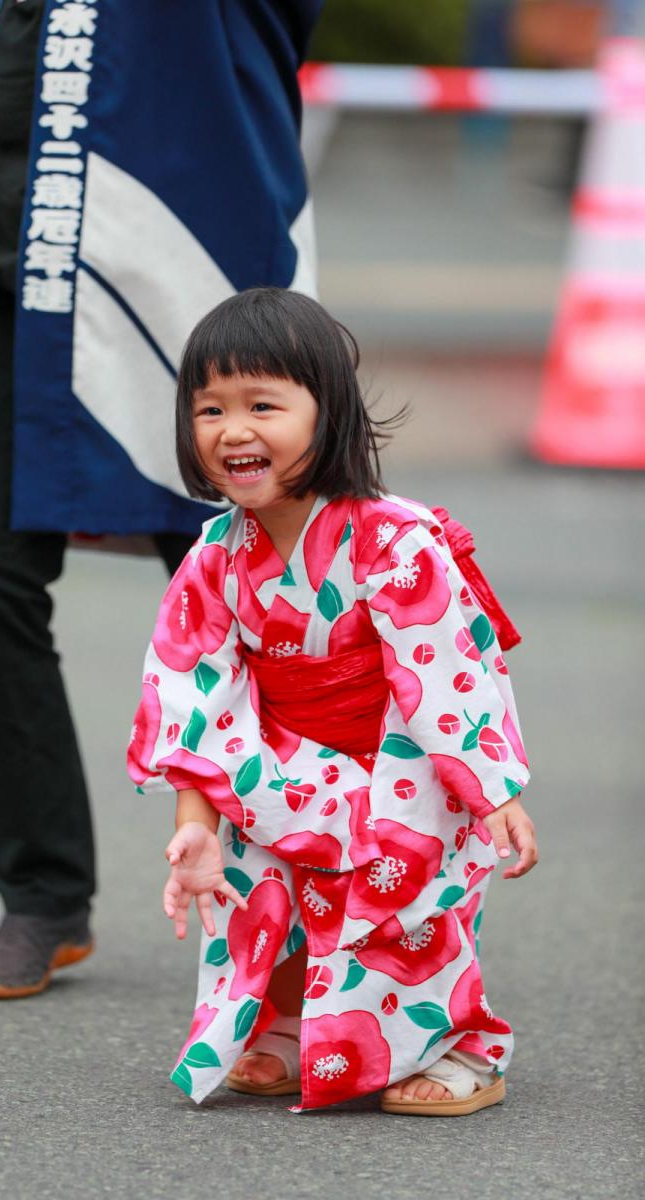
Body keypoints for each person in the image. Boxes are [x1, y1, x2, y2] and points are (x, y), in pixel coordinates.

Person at [0, 0, 321, 999]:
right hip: (12, 263)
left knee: (258, 592)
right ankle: (42, 894)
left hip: (188, 251)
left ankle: (314, 892)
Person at [128, 287, 538, 1114]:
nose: (232, 429)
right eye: (209, 408)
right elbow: (191, 690)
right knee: (257, 878)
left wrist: (489, 787)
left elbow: (442, 662)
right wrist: (194, 829)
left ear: (330, 413)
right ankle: (282, 1024)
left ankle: (467, 1047)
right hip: (283, 756)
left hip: (405, 753)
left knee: (405, 898)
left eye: (262, 404)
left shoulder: (393, 539)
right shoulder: (214, 555)